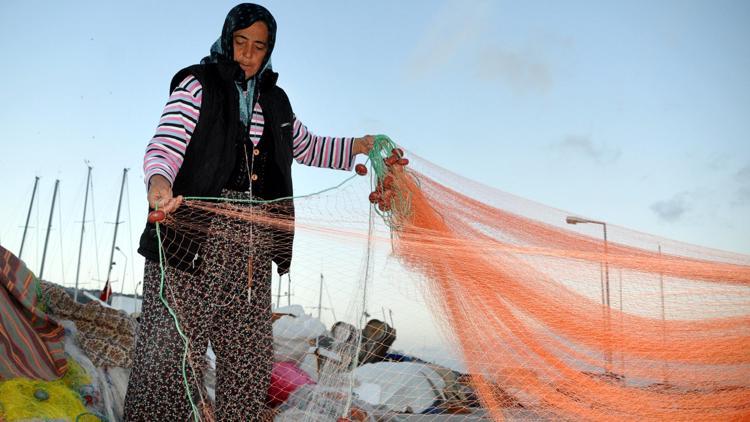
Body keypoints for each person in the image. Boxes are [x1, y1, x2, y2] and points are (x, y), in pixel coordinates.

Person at [124, 3, 374, 420]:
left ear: (269, 50)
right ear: (227, 40)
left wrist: (357, 146)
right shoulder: (197, 85)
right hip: (190, 237)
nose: (248, 54)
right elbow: (164, 146)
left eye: (259, 46)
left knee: (248, 362)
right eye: (241, 42)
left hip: (250, 250)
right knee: (169, 360)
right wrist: (159, 186)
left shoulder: (275, 103)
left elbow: (308, 147)